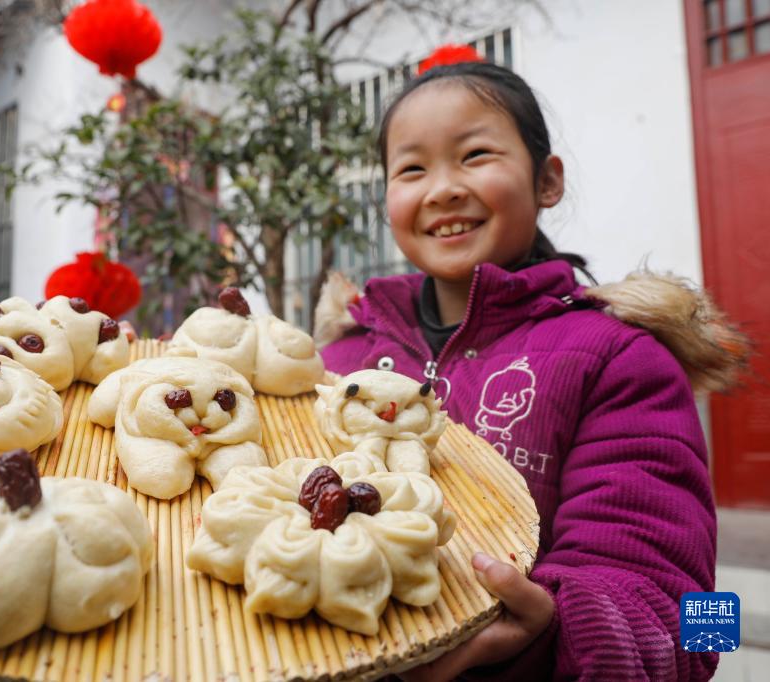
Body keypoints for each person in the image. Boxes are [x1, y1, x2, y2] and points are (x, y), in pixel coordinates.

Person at [315, 49, 748, 681]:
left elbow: (706, 623)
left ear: (548, 179)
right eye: (411, 168)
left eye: (475, 155)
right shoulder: (339, 359)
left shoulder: (623, 357)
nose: (442, 188)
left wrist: (550, 635)